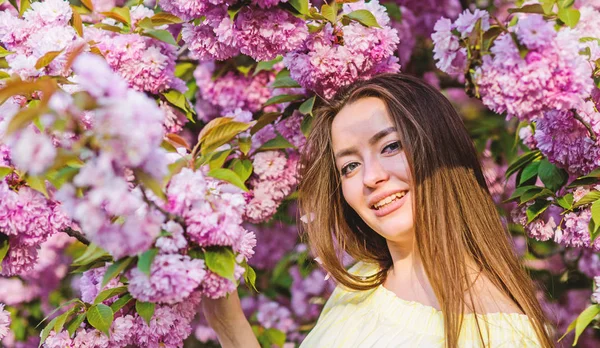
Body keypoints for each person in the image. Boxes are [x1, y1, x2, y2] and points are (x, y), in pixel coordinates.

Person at [201, 74, 554, 347]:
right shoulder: (363, 282)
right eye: (350, 166)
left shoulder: (504, 336)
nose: (371, 177)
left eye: (390, 146)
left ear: (438, 146)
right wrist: (226, 319)